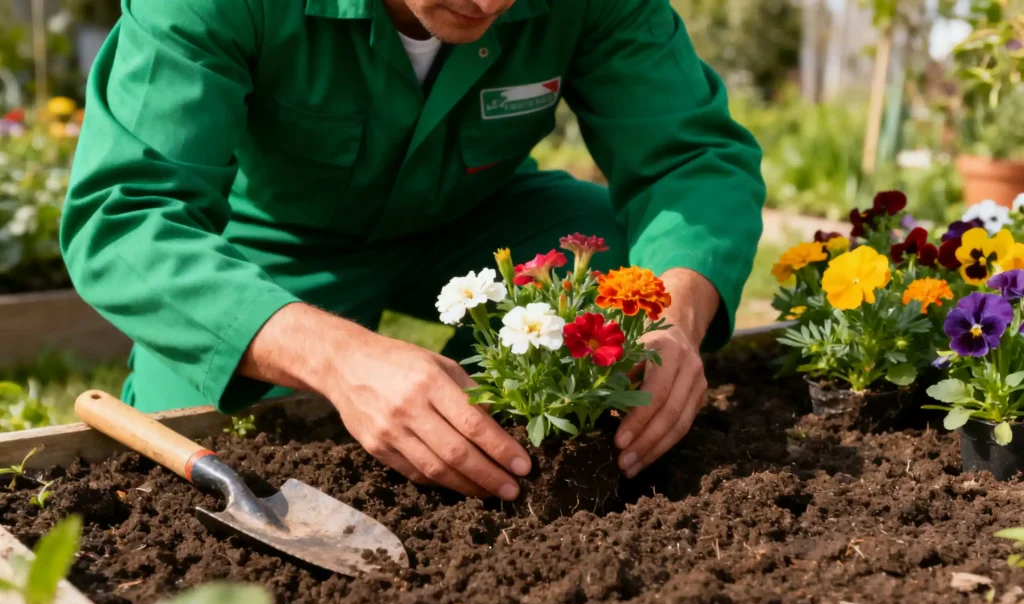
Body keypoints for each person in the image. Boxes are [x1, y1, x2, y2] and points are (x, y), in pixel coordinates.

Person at [60, 0, 766, 502]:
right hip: (278, 243)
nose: (491, 2)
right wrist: (338, 358)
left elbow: (692, 158)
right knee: (200, 441)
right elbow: (125, 215)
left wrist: (676, 312)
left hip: (480, 214)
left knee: (613, 284)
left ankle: (501, 437)